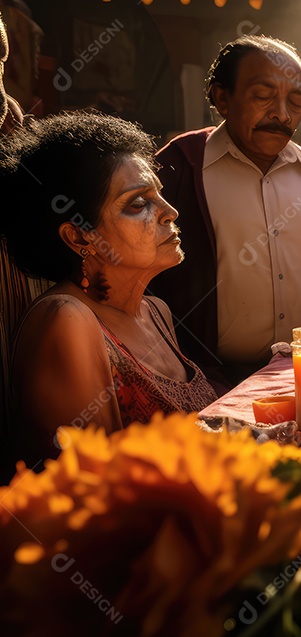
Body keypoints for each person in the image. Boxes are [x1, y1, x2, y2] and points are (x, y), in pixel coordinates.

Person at [0, 112, 218, 469]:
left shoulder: (155, 311)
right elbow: (93, 488)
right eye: (138, 204)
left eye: (159, 195)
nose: (171, 212)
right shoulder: (68, 320)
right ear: (81, 236)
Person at [151, 35, 301, 391]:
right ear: (222, 98)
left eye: (296, 102)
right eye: (263, 96)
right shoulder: (180, 165)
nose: (282, 114)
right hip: (212, 383)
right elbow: (148, 280)